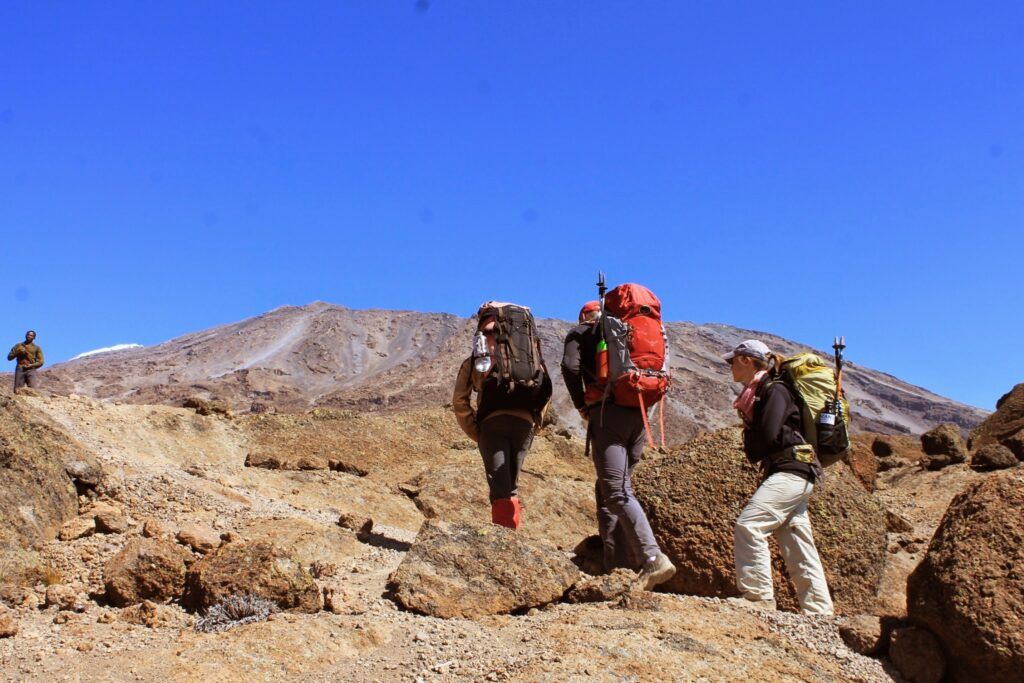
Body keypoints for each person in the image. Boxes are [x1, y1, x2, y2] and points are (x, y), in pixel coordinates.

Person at [562, 301, 676, 590]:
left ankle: (653, 558)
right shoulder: (629, 334)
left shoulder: (582, 333)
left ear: (583, 317)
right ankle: (618, 565)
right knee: (611, 488)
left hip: (607, 414)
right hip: (638, 414)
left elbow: (570, 367)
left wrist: (580, 405)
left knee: (615, 490)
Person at [725, 339, 834, 614]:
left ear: (747, 360)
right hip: (796, 470)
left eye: (733, 360)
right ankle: (819, 611)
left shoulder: (774, 390)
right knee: (796, 540)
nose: (730, 366)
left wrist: (750, 433)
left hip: (791, 470)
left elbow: (770, 433)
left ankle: (758, 596)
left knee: (750, 525)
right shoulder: (763, 391)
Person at [453, 308, 552, 530]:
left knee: (500, 488)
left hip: (492, 424)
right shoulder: (530, 358)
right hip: (524, 424)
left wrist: (474, 431)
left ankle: (504, 540)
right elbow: (546, 390)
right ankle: (511, 534)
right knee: (511, 487)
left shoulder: (478, 359)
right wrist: (536, 422)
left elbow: (460, 400)